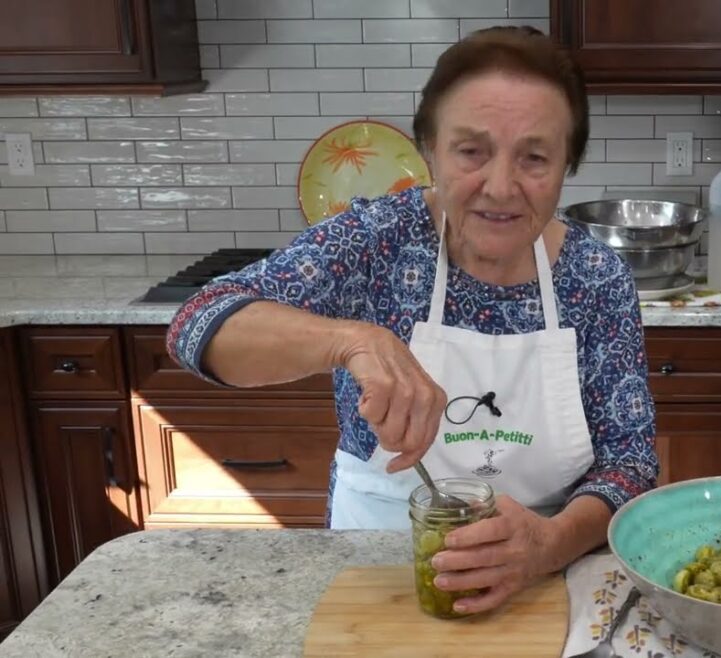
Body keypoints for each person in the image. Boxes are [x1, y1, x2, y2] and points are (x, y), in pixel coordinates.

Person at [165, 25, 658, 615]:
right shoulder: (377, 242)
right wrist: (351, 340)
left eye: (534, 157)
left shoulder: (595, 277)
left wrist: (548, 545)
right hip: (378, 566)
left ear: (567, 164)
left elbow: (630, 462)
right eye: (471, 151)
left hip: (548, 583)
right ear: (429, 148)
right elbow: (197, 323)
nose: (500, 188)